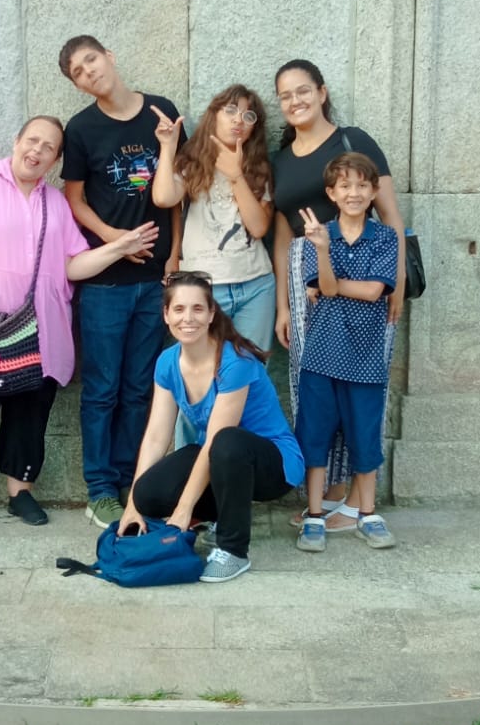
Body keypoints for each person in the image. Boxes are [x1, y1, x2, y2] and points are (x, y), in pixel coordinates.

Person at [0, 95, 159, 531]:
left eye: (49, 147)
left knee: (31, 402)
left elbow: (72, 265)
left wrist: (117, 248)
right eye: (32, 140)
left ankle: (19, 492)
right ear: (17, 141)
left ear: (55, 161)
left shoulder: (54, 204)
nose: (37, 151)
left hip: (38, 324)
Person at [272, 57, 405, 532]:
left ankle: (356, 500)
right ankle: (325, 492)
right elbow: (281, 236)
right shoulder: (280, 159)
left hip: (368, 269)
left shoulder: (354, 141)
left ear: (322, 92)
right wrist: (283, 304)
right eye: (286, 95)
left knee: (362, 388)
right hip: (306, 276)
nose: (296, 101)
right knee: (314, 387)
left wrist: (396, 286)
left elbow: (391, 216)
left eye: (303, 90)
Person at [59, 35, 182, 529]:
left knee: (139, 388)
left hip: (156, 282)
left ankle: (135, 481)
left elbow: (181, 189)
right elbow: (74, 198)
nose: (89, 71)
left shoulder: (161, 111)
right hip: (105, 284)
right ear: (78, 85)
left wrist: (174, 253)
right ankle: (100, 490)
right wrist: (114, 239)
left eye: (91, 60)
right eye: (78, 72)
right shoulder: (81, 129)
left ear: (109, 56)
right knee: (102, 389)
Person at [118, 271, 304, 583]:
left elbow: (218, 440)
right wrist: (133, 505)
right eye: (179, 309)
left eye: (197, 309)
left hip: (273, 464)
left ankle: (234, 551)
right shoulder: (167, 362)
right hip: (220, 458)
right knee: (148, 494)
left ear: (211, 313)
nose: (187, 318)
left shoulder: (235, 362)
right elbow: (155, 437)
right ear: (166, 315)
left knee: (227, 442)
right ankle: (218, 514)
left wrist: (183, 511)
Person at [295, 151, 398, 552]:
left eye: (361, 185)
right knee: (315, 435)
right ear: (331, 193)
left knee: (365, 436)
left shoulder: (384, 237)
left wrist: (333, 286)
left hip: (366, 356)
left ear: (373, 191)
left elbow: (373, 290)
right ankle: (314, 514)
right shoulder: (318, 236)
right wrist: (323, 251)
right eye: (345, 186)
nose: (353, 193)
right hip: (321, 355)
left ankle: (366, 513)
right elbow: (322, 285)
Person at [150, 84, 276, 352]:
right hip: (203, 286)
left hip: (256, 285)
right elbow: (163, 198)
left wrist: (236, 175)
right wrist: (167, 147)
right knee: (203, 367)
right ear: (214, 115)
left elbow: (258, 228)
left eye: (248, 115)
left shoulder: (259, 167)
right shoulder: (191, 162)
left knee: (250, 368)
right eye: (230, 110)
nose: (238, 120)